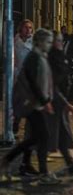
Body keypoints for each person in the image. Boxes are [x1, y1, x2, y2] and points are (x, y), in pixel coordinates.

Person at [1, 29, 61, 185]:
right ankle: (43, 172)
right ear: (40, 42)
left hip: (35, 103)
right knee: (44, 136)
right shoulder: (34, 57)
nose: (49, 45)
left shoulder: (39, 56)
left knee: (35, 137)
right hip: (32, 104)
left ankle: (16, 163)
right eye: (47, 42)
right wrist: (45, 101)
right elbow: (34, 83)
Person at [48, 31, 73, 174]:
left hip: (58, 101)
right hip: (52, 102)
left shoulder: (59, 55)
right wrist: (66, 103)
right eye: (57, 40)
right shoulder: (50, 58)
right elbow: (52, 84)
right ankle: (17, 160)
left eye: (61, 40)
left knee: (61, 134)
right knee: (40, 138)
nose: (60, 43)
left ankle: (71, 163)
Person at [13, 19, 37, 176]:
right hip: (17, 77)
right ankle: (15, 124)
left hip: (29, 79)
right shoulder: (14, 40)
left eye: (30, 28)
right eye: (26, 28)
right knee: (17, 104)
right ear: (20, 29)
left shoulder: (34, 43)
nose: (28, 30)